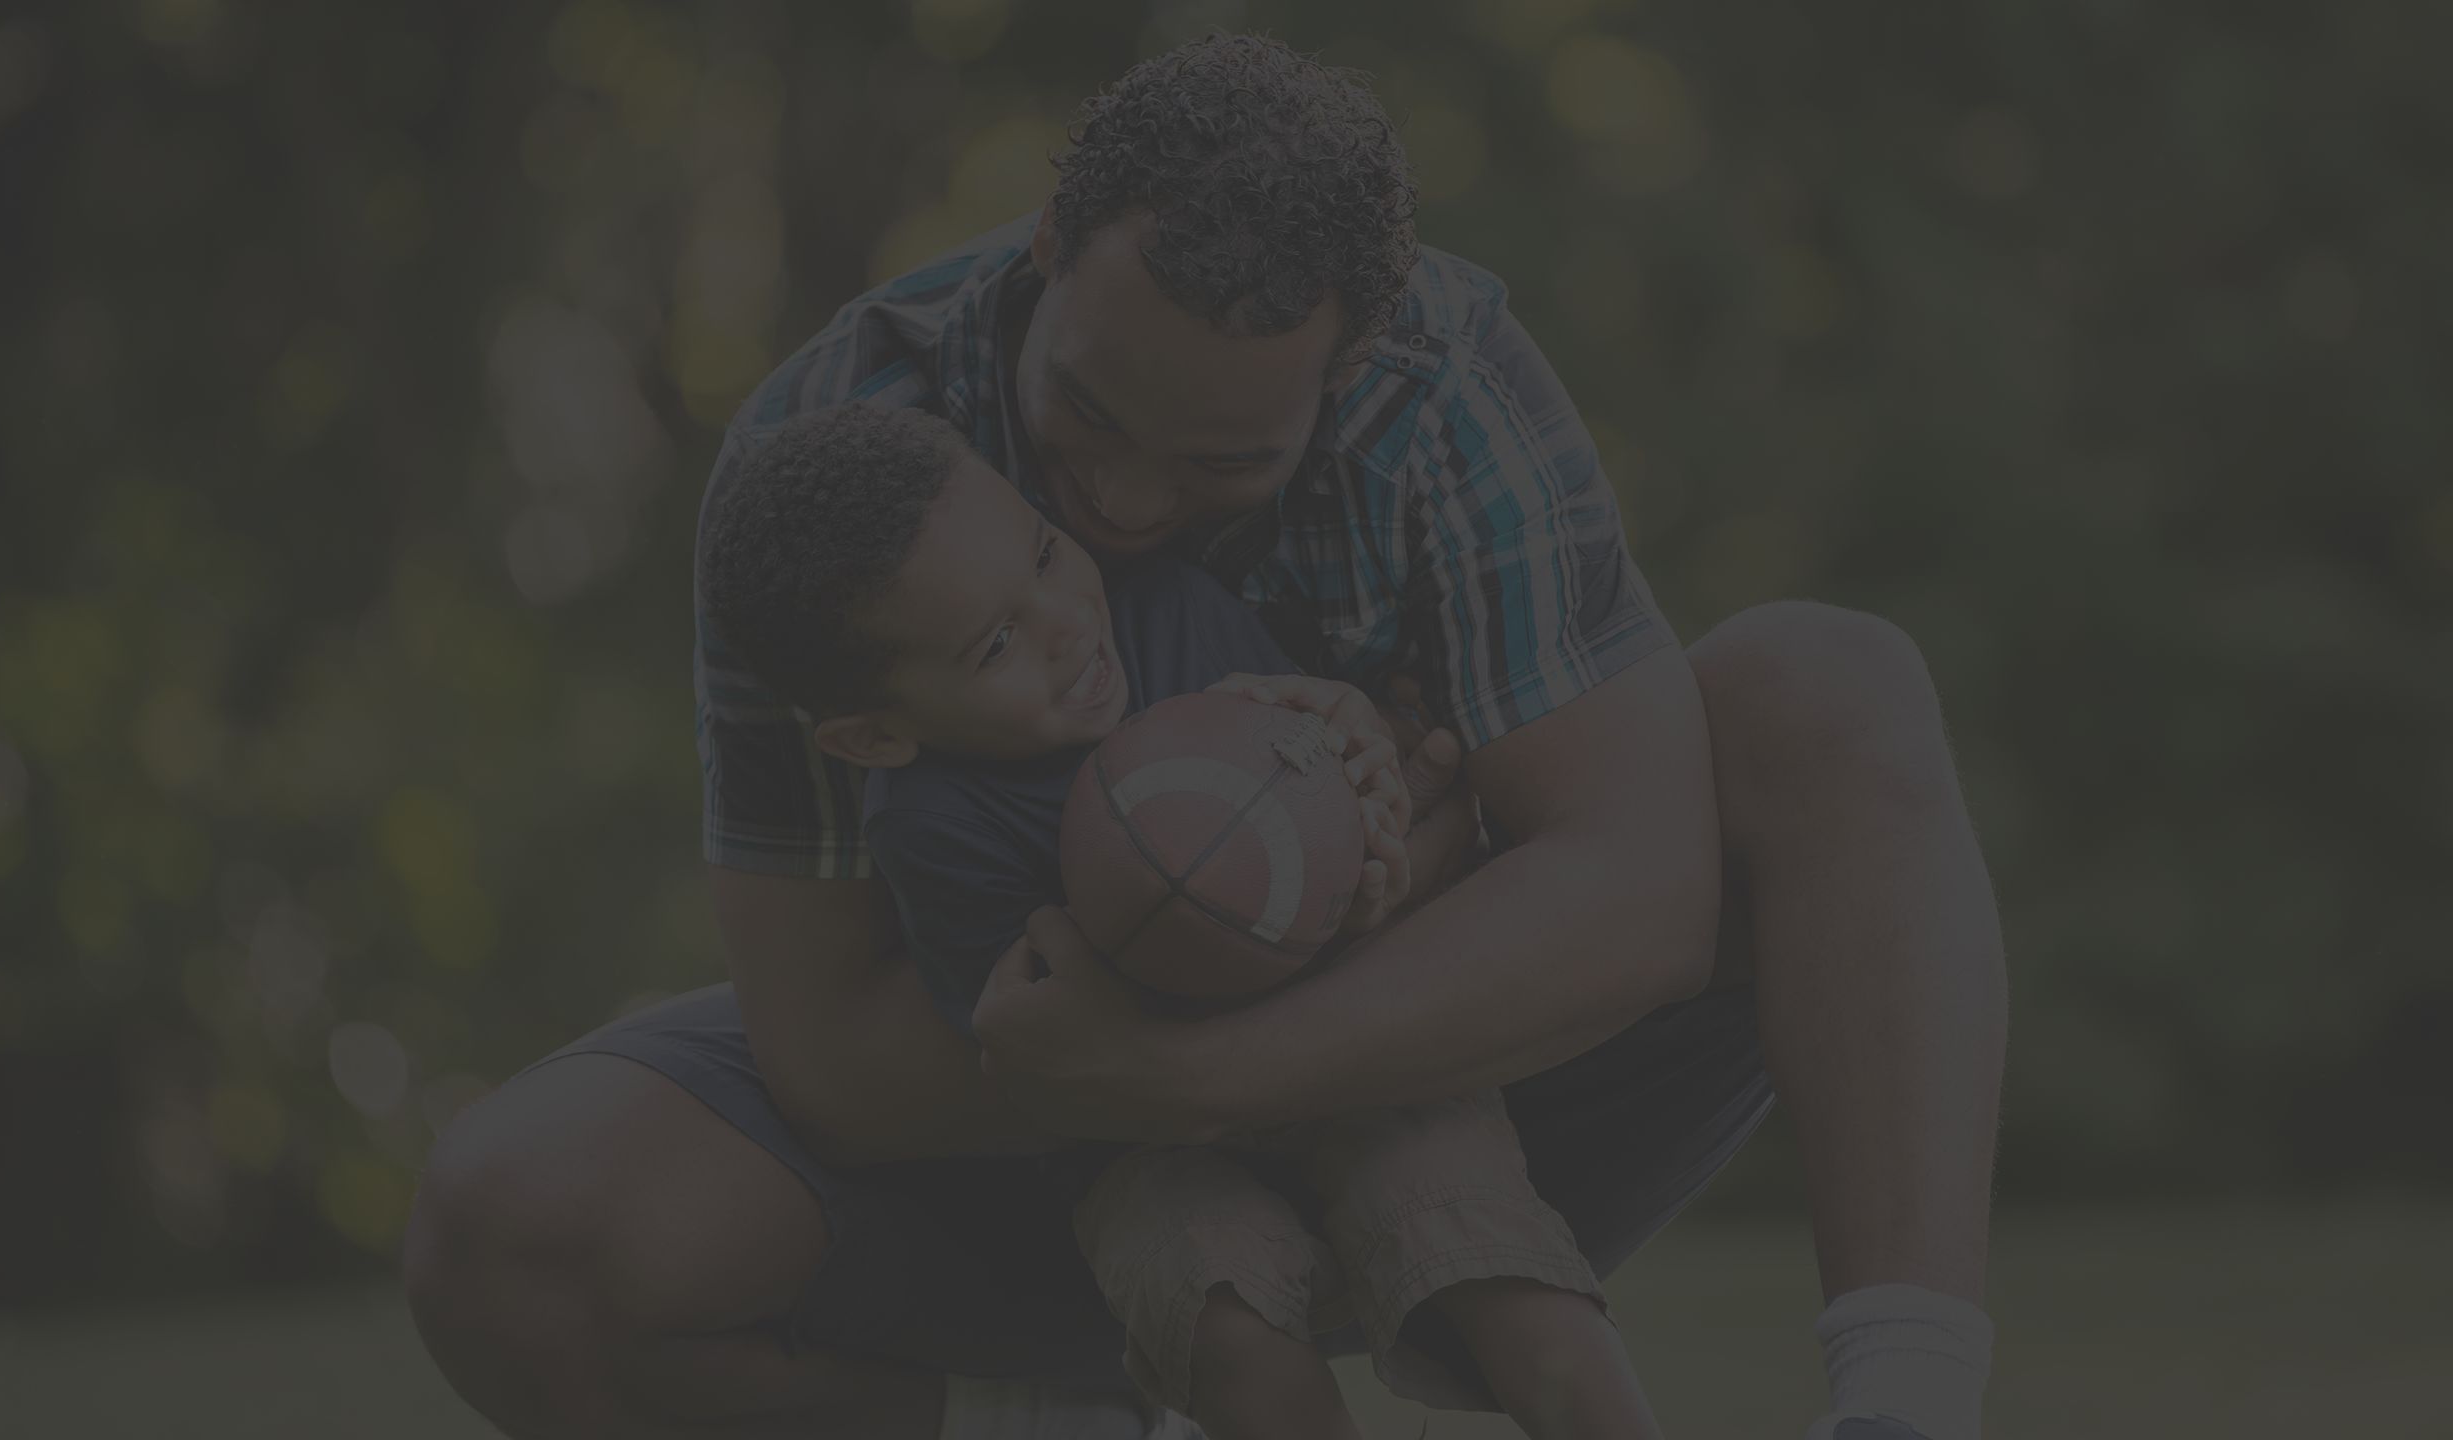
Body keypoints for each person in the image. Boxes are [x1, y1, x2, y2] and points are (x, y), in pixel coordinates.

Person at [405, 32, 2007, 1440]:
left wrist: (1210, 1063)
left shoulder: (1447, 387)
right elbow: (830, 1047)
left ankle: (1903, 1407)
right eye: (1089, 416)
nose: (1121, 508)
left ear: (1355, 361)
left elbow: (1644, 888)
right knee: (509, 1230)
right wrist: (1132, 1075)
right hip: (1034, 1132)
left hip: (1454, 1089)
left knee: (1833, 687)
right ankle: (1062, 1422)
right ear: (1046, 240)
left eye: (1225, 461)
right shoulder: (831, 462)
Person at [694, 398, 1666, 1440]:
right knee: (1226, 1332)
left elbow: (1357, 831)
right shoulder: (934, 827)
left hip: (1356, 1061)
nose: (1067, 624)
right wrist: (1201, 926)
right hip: (1140, 1142)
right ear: (875, 737)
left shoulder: (1172, 613)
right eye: (997, 643)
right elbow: (1053, 1042)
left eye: (1044, 554)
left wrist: (1371, 830)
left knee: (1491, 1258)